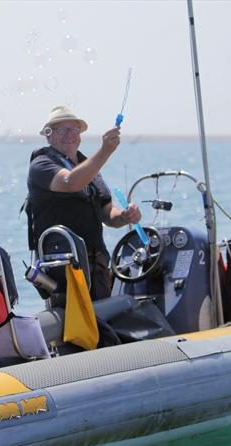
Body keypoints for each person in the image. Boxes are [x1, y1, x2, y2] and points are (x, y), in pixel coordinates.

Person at [26, 105, 142, 301]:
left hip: (96, 266)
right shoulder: (41, 165)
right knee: (76, 327)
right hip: (62, 269)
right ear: (48, 135)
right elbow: (71, 182)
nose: (69, 135)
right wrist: (105, 150)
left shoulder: (89, 167)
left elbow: (107, 213)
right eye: (61, 129)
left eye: (74, 129)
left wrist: (124, 216)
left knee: (103, 324)